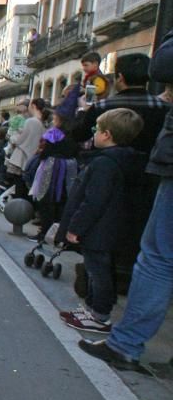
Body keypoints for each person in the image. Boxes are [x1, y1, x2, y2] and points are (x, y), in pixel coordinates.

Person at [79, 29, 173, 369]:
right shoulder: (157, 108)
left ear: (118, 77)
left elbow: (79, 137)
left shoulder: (106, 108)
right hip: (144, 186)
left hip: (125, 190)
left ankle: (122, 340)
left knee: (156, 258)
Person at [56, 108, 144, 333]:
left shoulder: (104, 164)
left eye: (96, 129)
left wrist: (75, 227)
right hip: (110, 227)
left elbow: (93, 200)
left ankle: (99, 315)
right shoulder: (124, 160)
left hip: (99, 229)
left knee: (98, 271)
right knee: (99, 269)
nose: (93, 133)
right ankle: (93, 308)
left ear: (107, 135)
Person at [27, 91, 79, 242]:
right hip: (70, 168)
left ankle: (44, 232)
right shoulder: (75, 132)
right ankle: (59, 233)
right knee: (63, 201)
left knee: (46, 200)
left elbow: (45, 151)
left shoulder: (54, 133)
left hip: (51, 167)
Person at [6, 98, 47, 200]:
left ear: (33, 106)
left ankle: (18, 210)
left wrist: (13, 136)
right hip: (33, 157)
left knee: (19, 186)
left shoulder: (30, 121)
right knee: (25, 187)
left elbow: (19, 140)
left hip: (21, 157)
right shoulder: (43, 123)